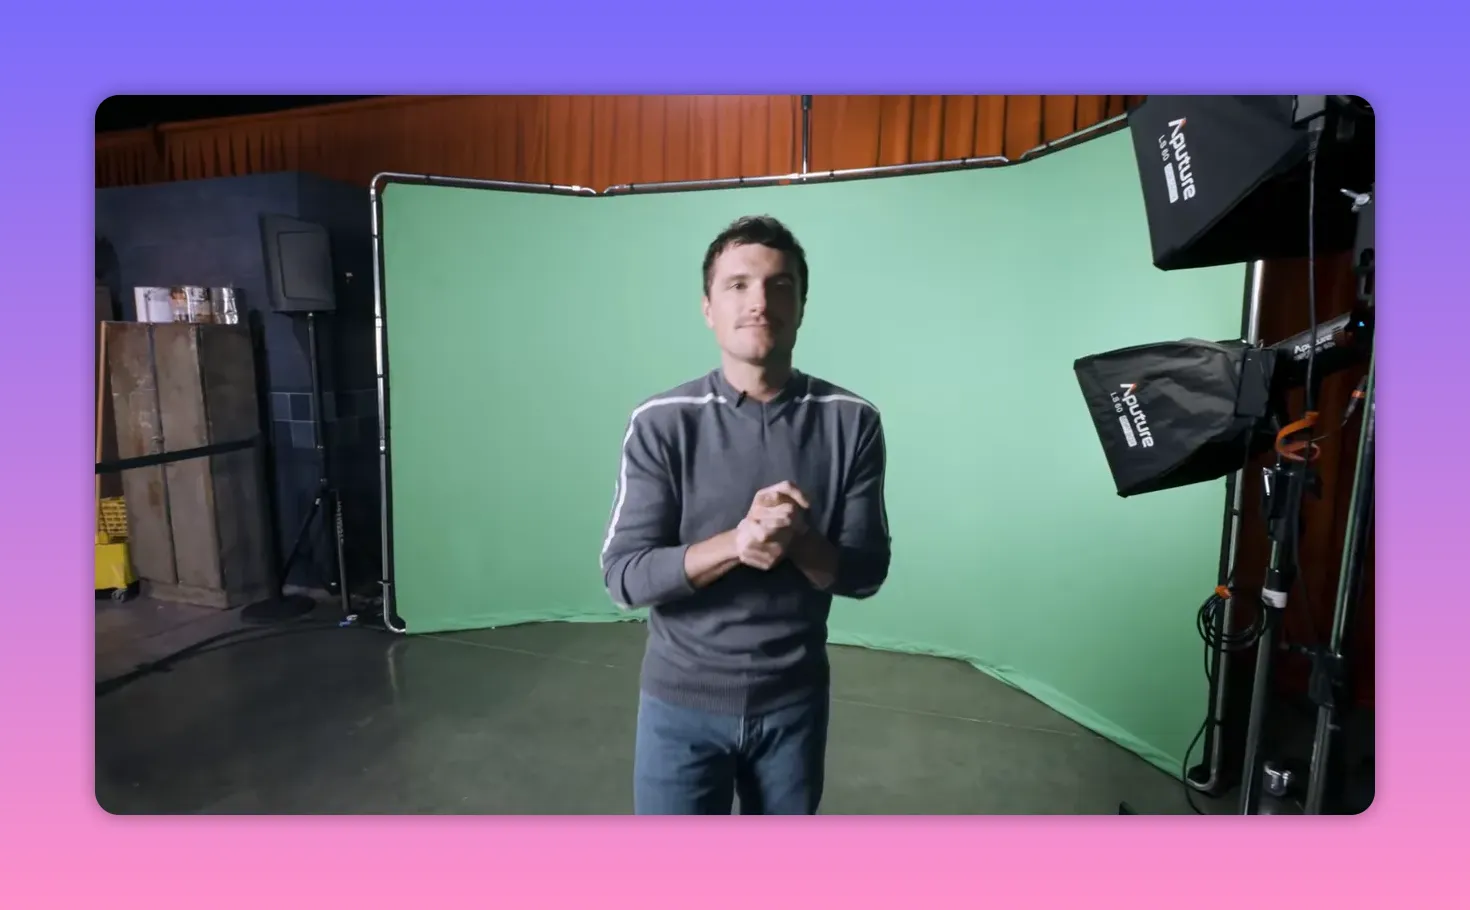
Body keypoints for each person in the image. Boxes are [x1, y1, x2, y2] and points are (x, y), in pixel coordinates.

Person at [599, 214, 892, 815]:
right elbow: (624, 578)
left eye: (779, 285)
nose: (759, 301)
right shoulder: (661, 422)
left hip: (795, 707)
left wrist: (797, 539)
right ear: (708, 307)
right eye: (737, 285)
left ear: (802, 305)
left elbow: (866, 574)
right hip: (678, 709)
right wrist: (738, 542)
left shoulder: (852, 421)